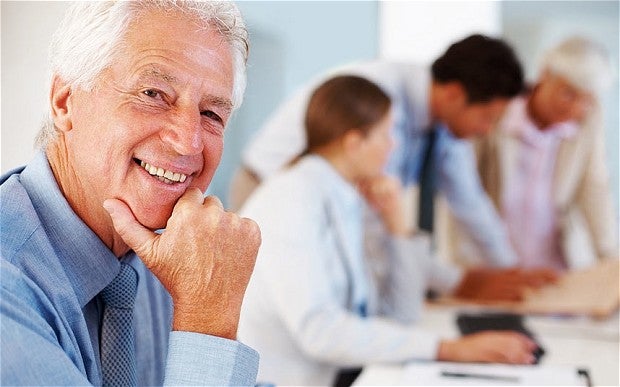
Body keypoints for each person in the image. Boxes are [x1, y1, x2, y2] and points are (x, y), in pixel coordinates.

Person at [0, 1, 261, 385]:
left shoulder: (170, 253)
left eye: (211, 115)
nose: (188, 143)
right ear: (64, 102)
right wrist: (208, 326)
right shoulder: (10, 284)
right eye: (153, 93)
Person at [238, 75, 543, 387]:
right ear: (354, 143)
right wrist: (448, 349)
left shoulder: (342, 195)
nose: (393, 145)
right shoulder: (293, 200)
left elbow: (400, 316)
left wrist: (398, 227)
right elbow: (320, 332)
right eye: (385, 134)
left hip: (338, 373)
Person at [230, 34, 524, 267]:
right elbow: (373, 212)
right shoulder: (382, 97)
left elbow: (470, 202)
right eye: (488, 118)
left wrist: (509, 270)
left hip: (331, 207)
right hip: (265, 186)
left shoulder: (446, 123)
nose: (487, 131)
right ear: (455, 94)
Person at [444, 37, 618, 270]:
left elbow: (594, 188)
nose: (575, 107)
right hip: (491, 261)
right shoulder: (499, 110)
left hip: (554, 264)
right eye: (568, 93)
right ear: (545, 75)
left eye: (586, 99)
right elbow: (464, 187)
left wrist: (610, 258)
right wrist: (462, 261)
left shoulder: (589, 120)